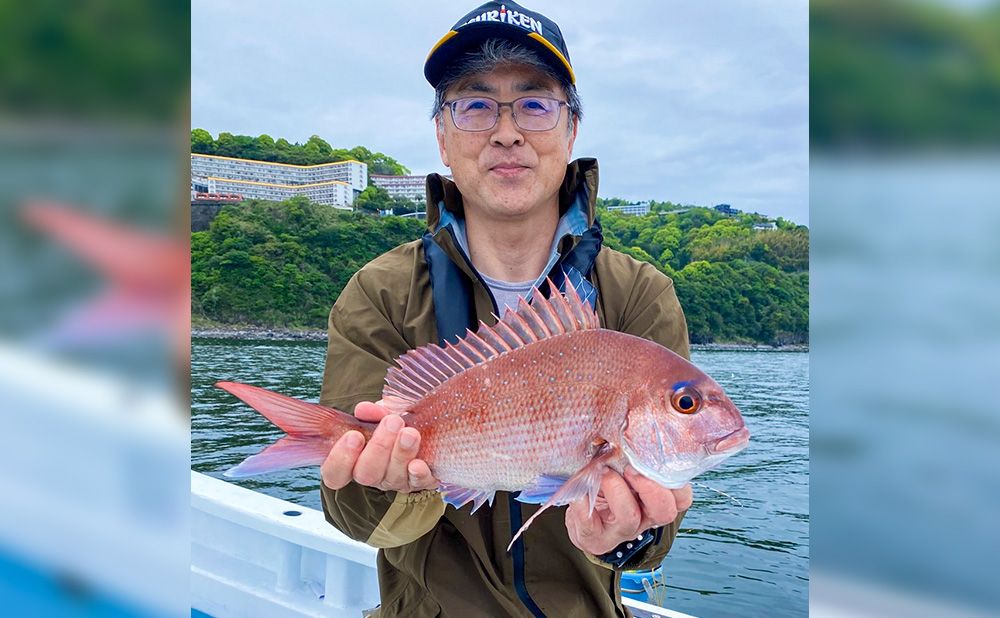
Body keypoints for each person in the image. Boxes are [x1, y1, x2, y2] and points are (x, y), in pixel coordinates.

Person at [318, 2, 693, 615]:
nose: (507, 131)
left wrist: (625, 537)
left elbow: (658, 523)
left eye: (535, 103)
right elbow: (355, 520)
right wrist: (392, 484)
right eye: (475, 104)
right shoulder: (379, 293)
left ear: (572, 131)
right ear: (442, 136)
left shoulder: (639, 293)